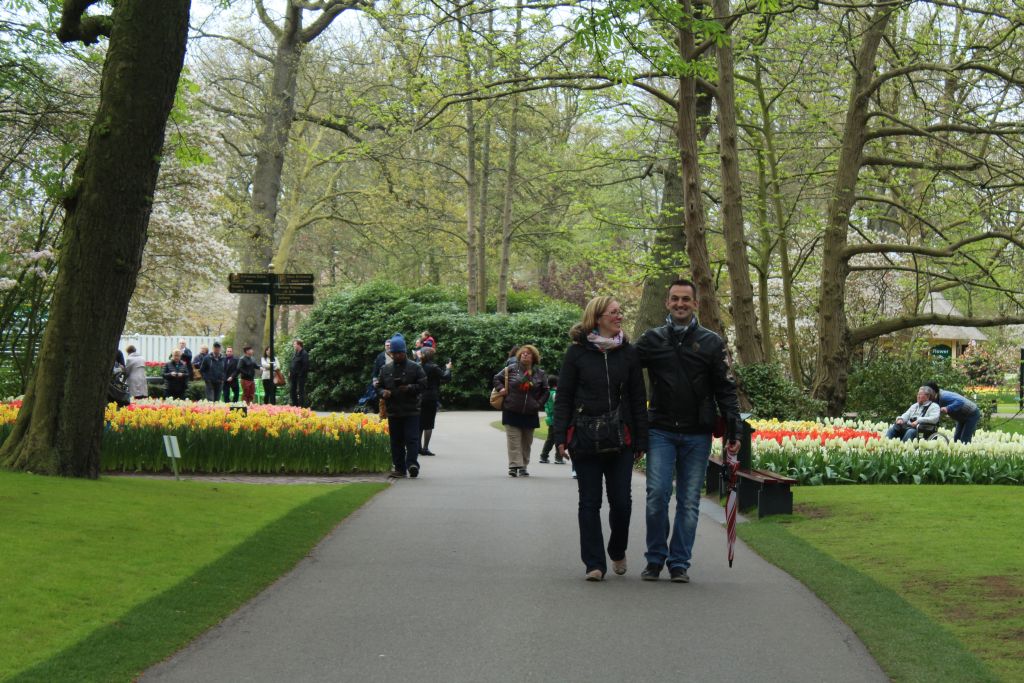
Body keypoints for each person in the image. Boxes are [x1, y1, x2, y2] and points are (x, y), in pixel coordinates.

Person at [636, 279, 742, 583]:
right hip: (661, 429)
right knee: (657, 494)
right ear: (667, 303)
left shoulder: (711, 342)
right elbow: (624, 371)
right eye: (675, 299)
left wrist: (734, 429)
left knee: (689, 500)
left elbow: (726, 389)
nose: (680, 304)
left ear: (695, 303)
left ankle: (679, 562)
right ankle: (655, 558)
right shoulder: (651, 340)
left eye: (686, 299)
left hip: (697, 433)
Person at [552, 296, 648, 581]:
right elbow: (564, 397)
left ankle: (617, 549)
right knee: (589, 502)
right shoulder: (577, 353)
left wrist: (642, 439)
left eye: (621, 311)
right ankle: (594, 563)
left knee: (622, 503)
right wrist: (560, 435)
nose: (619, 316)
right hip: (584, 437)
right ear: (597, 317)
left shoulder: (628, 353)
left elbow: (637, 396)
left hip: (621, 438)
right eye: (614, 312)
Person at [493, 344, 548, 478]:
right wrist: (501, 389)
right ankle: (514, 466)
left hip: (530, 412)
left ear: (534, 357)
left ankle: (523, 466)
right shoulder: (511, 369)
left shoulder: (540, 373)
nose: (524, 355)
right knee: (513, 439)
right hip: (511, 409)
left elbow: (545, 391)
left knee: (527, 441)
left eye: (528, 353)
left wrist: (538, 404)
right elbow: (496, 378)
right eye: (523, 353)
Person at [378, 334, 427, 478]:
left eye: (399, 353)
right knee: (396, 441)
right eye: (394, 353)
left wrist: (410, 388)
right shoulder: (385, 369)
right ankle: (399, 468)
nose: (396, 356)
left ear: (404, 352)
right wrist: (383, 392)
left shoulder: (415, 367)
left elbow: (423, 385)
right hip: (393, 410)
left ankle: (412, 464)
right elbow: (378, 387)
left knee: (412, 439)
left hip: (411, 410)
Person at [418, 347, 451, 456]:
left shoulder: (418, 366)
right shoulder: (434, 367)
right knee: (429, 423)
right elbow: (445, 377)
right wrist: (448, 368)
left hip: (419, 396)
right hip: (431, 397)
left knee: (419, 422)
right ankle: (425, 448)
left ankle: (418, 447)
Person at [538, 376, 562, 464]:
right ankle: (558, 458)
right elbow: (558, 406)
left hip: (550, 418)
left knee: (550, 439)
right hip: (556, 419)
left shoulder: (547, 393)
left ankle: (544, 456)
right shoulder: (555, 394)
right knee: (559, 438)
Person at [290, 339, 309, 407]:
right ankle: (295, 405)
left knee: (300, 391)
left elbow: (305, 365)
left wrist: (300, 374)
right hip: (293, 376)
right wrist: (291, 372)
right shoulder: (295, 353)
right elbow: (293, 363)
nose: (293, 345)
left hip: (300, 376)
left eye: (295, 344)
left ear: (299, 345)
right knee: (292, 391)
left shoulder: (304, 353)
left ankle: (302, 406)